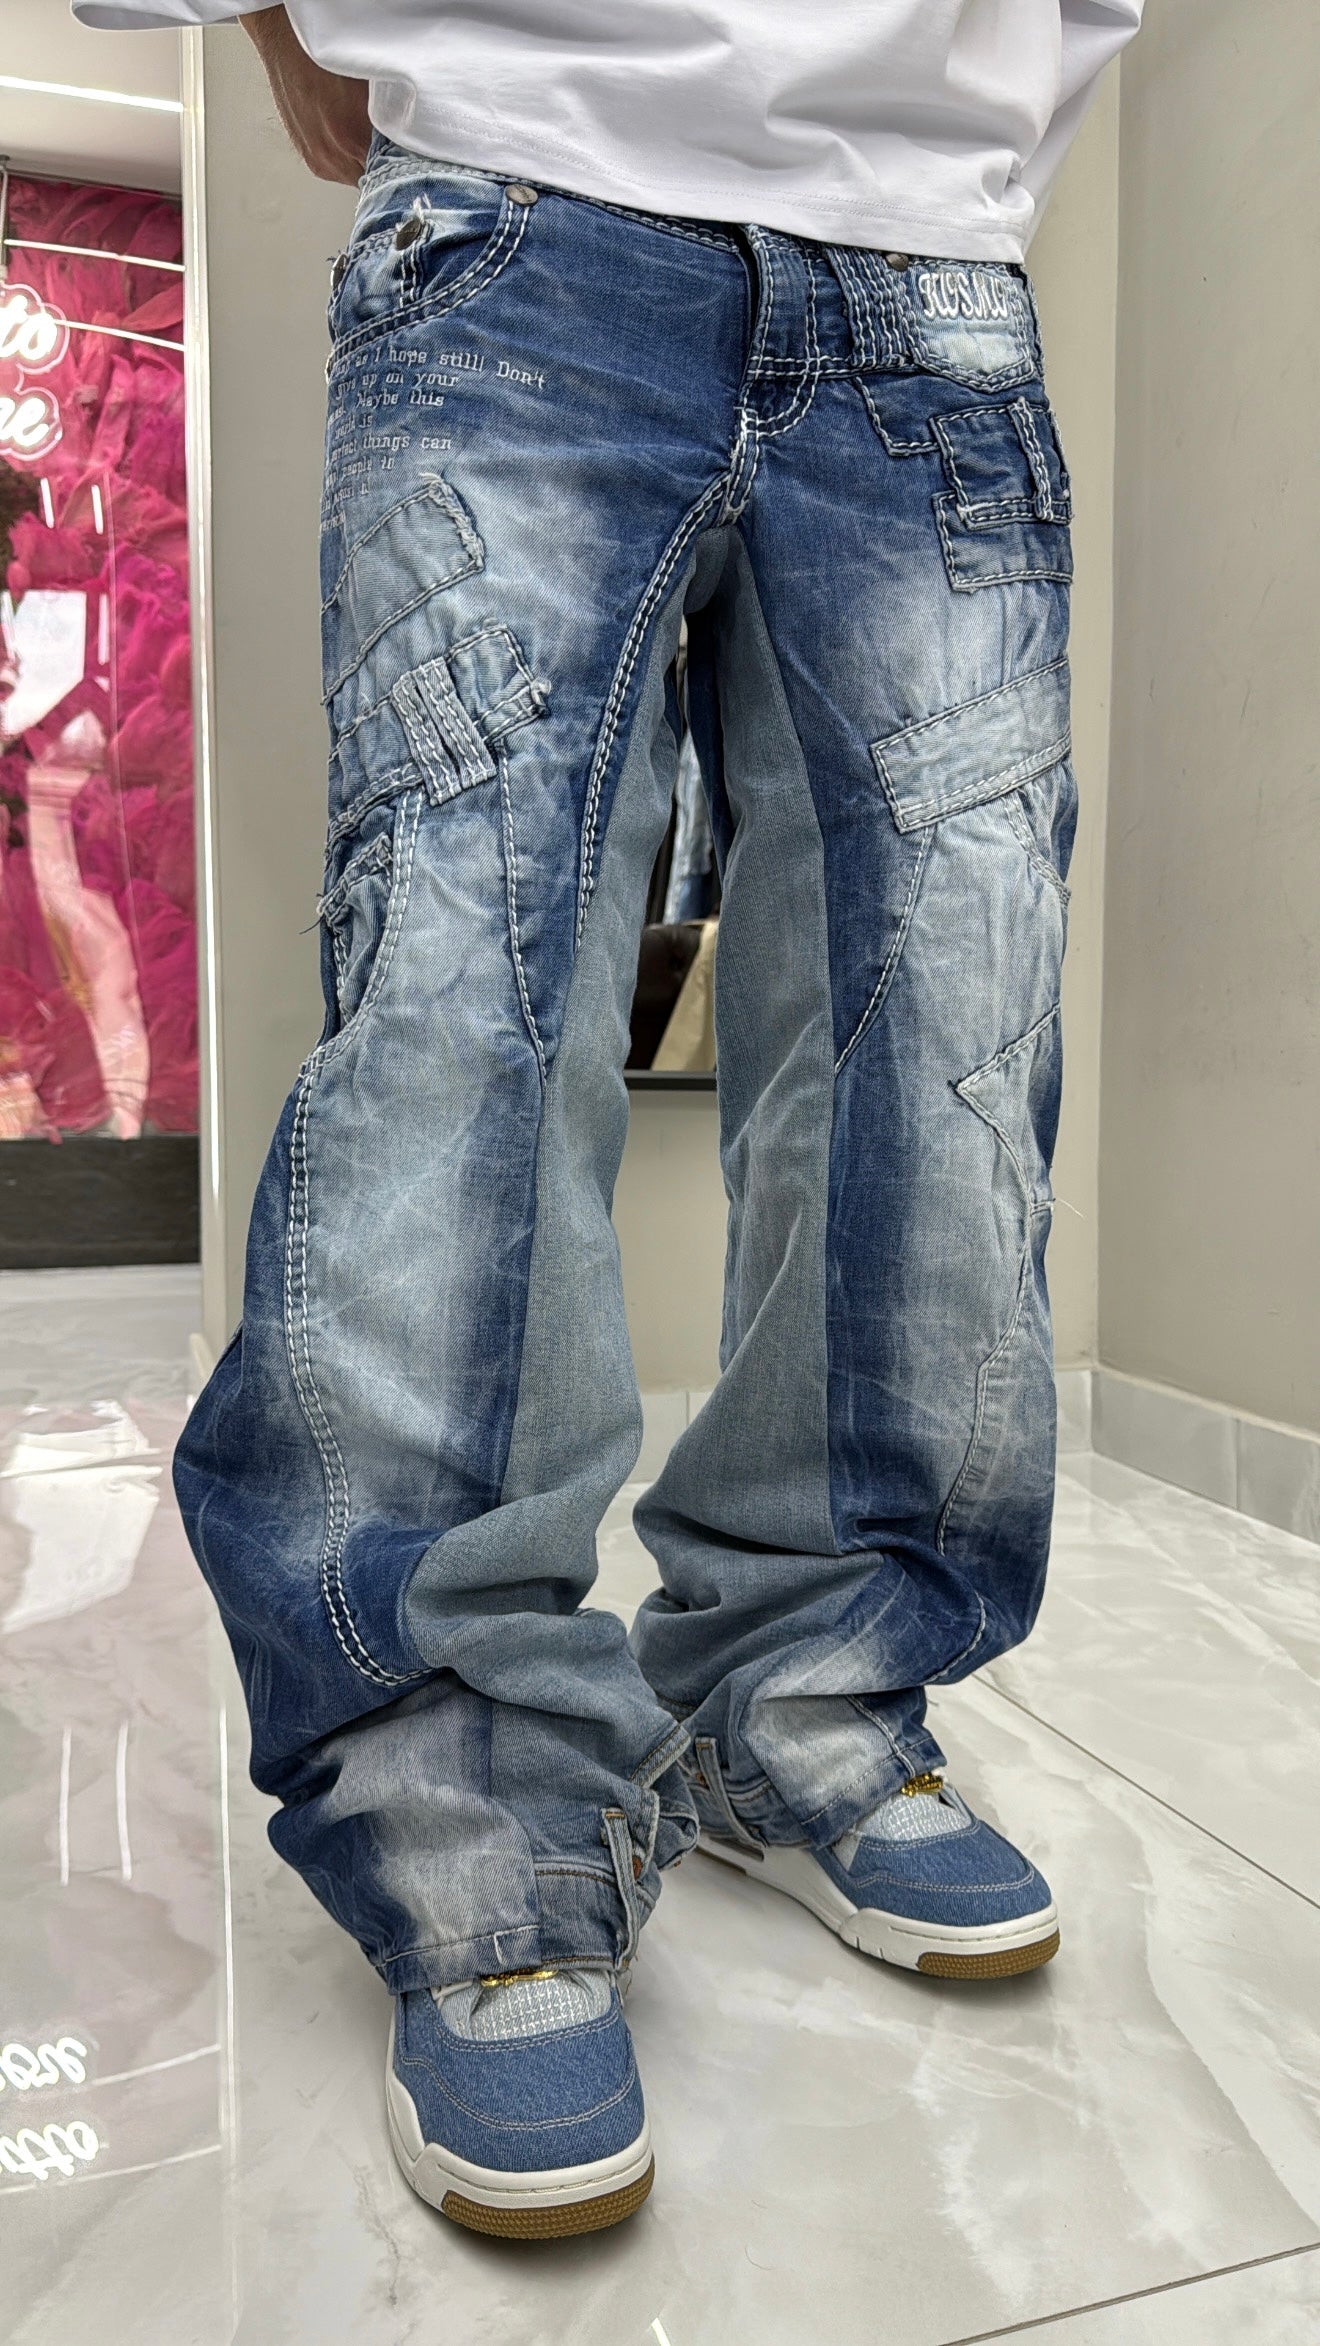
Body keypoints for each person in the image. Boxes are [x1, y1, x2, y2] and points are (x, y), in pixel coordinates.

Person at [78, 0, 1143, 2241]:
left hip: (933, 257)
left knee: (947, 1025)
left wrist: (963, 142)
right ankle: (467, 1804)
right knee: (464, 1014)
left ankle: (811, 1690)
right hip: (524, 190)